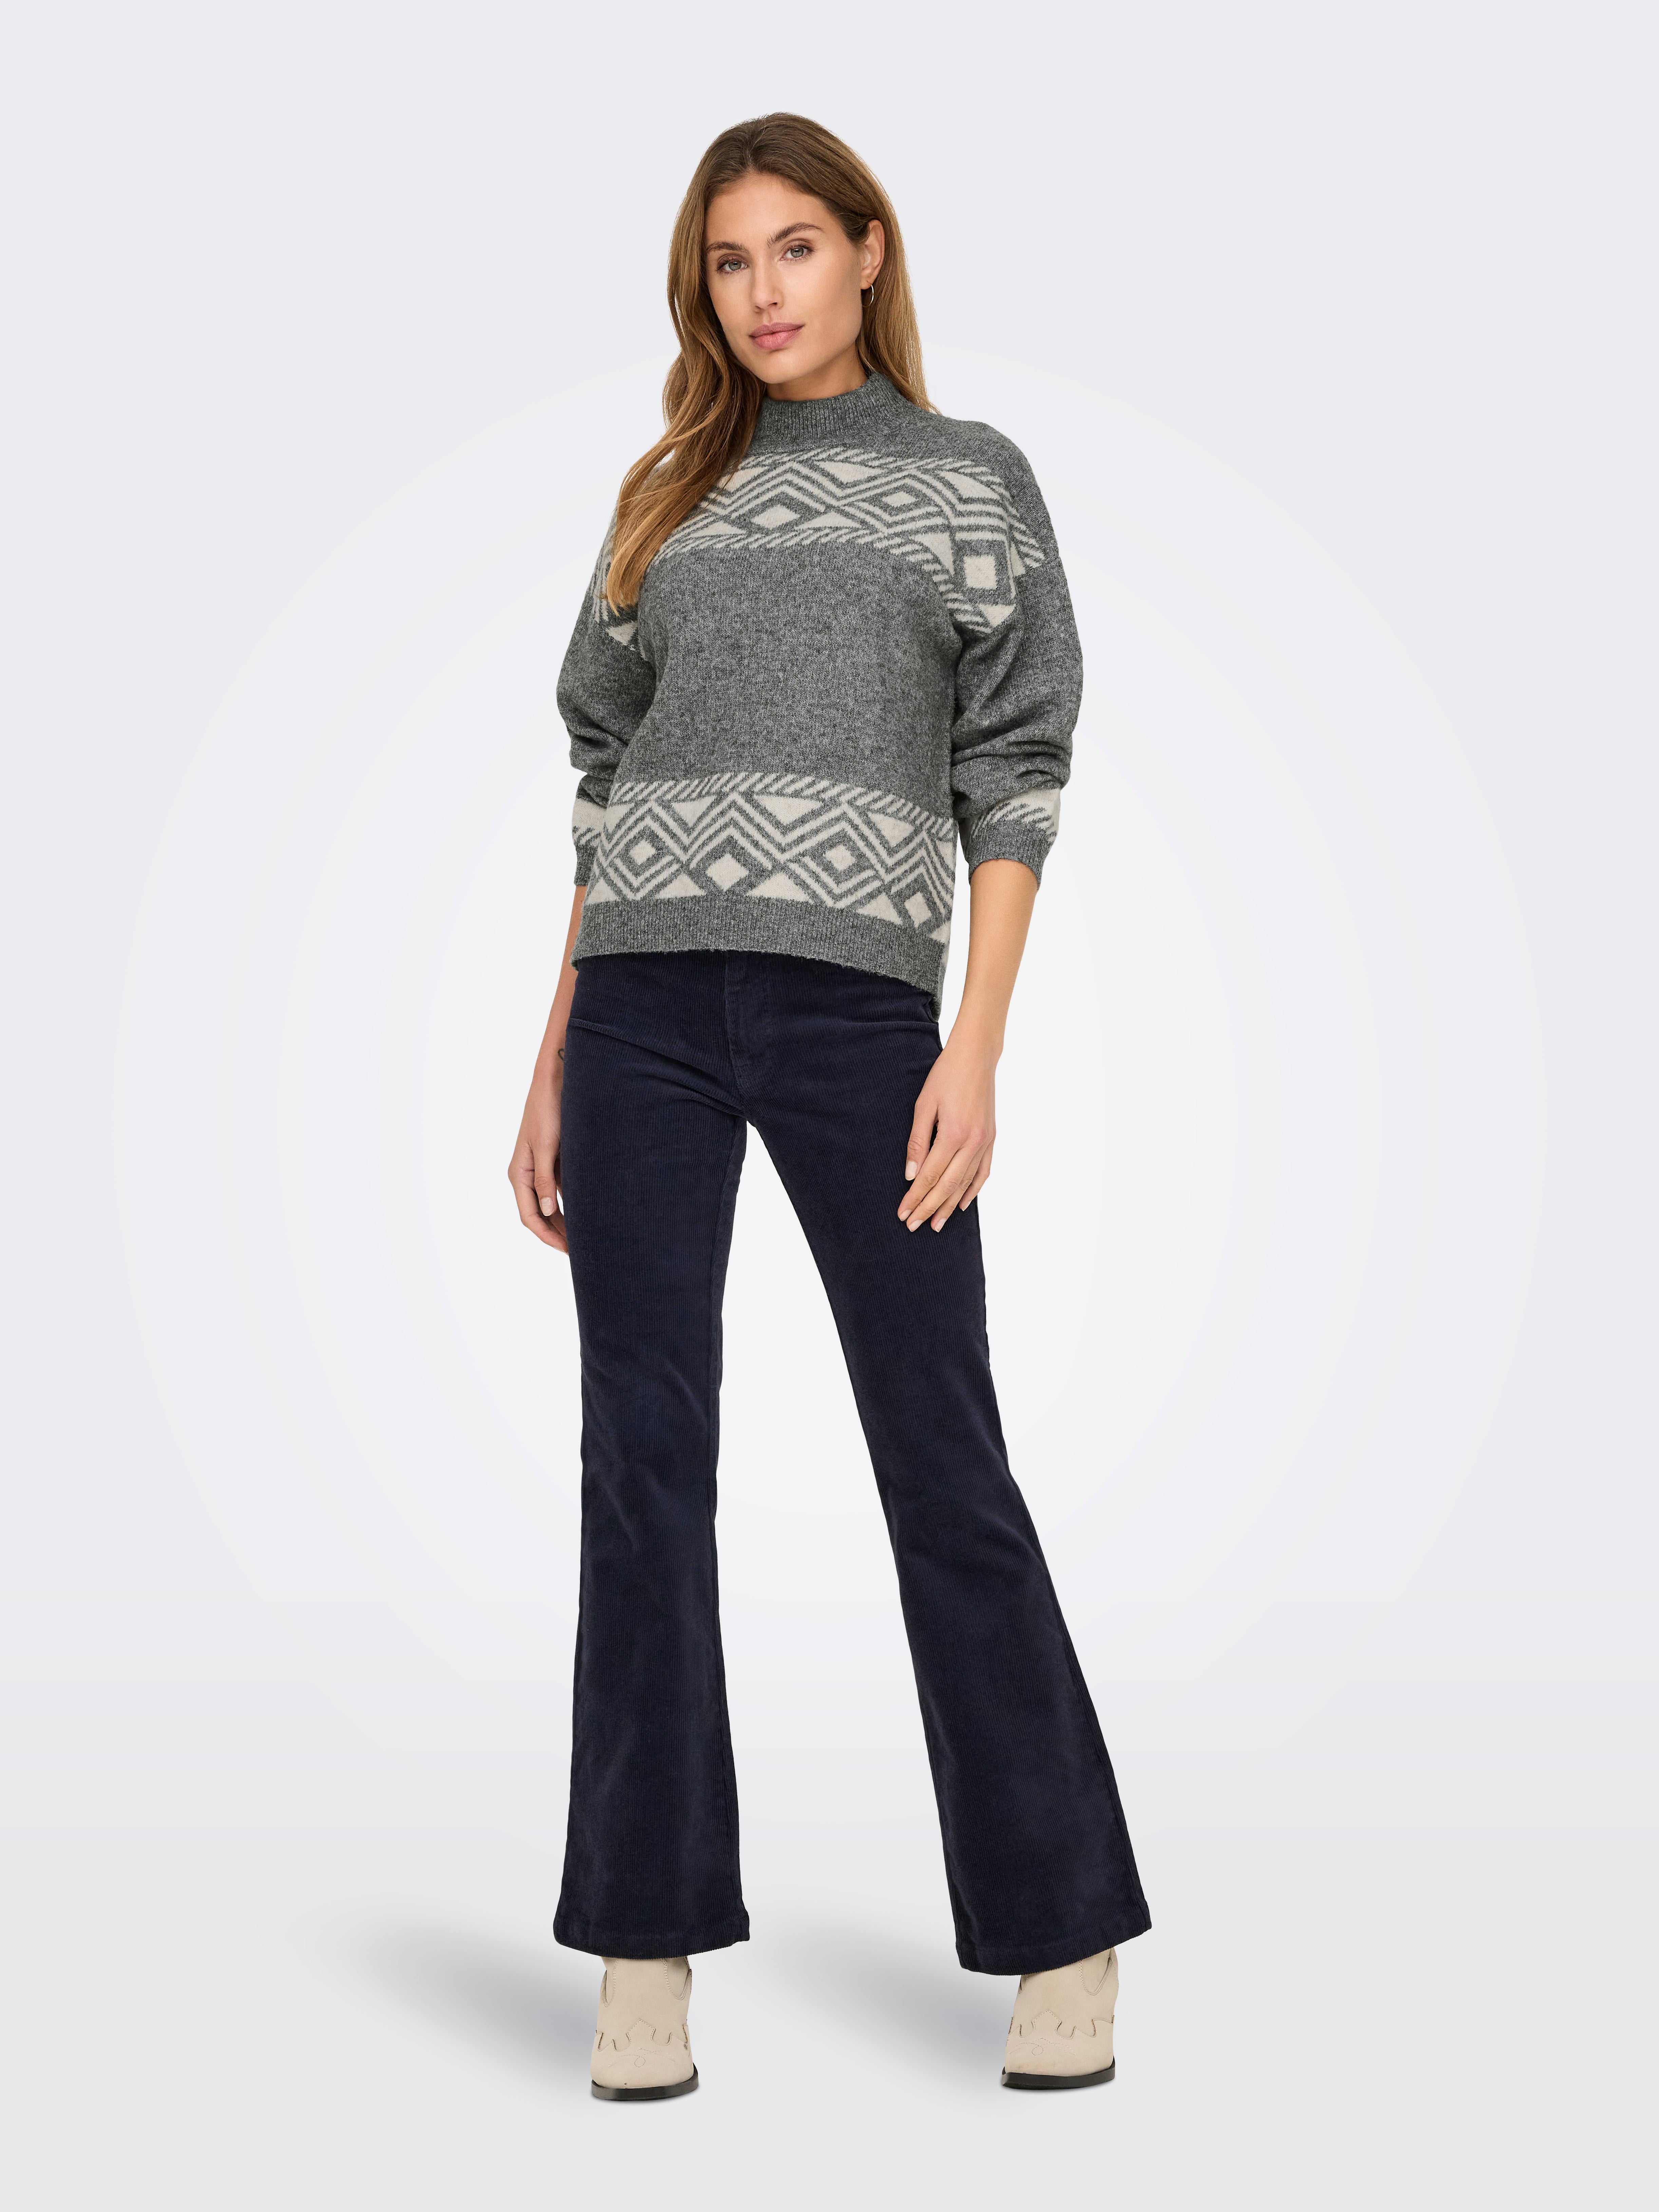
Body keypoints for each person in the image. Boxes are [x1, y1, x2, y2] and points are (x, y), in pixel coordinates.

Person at [509, 112, 1149, 2101]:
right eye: (729, 261)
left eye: (797, 245)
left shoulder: (970, 482)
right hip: (640, 1010)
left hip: (864, 1016)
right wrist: (550, 1052)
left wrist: (979, 1045)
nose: (764, 290)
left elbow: (1016, 764)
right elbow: (606, 787)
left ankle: (1061, 1925)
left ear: (871, 250)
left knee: (941, 1455)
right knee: (642, 1464)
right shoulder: (669, 493)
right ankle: (643, 1943)